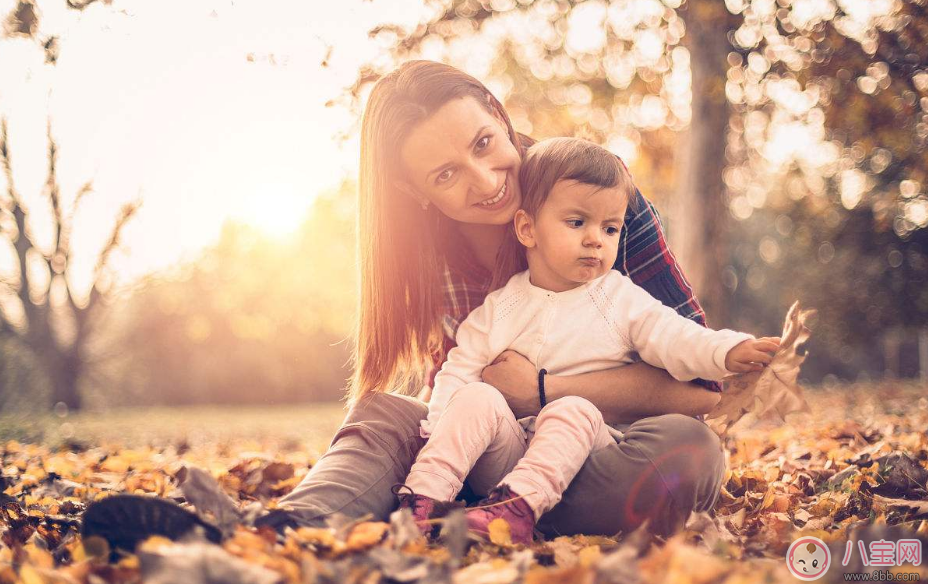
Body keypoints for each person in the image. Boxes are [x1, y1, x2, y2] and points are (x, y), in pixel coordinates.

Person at [257, 60, 734, 538]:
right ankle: (285, 525)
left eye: (483, 143)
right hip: (486, 454)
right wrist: (432, 439)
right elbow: (450, 389)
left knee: (690, 447)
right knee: (387, 412)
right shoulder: (428, 252)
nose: (486, 182)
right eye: (446, 175)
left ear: (496, 112)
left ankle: (510, 513)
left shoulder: (595, 196)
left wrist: (543, 390)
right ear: (412, 188)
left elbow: (702, 391)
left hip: (601, 460)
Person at [395, 137, 780, 544]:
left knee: (573, 409)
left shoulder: (620, 299)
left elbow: (677, 337)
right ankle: (423, 502)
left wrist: (729, 350)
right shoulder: (500, 308)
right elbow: (458, 370)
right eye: (577, 222)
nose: (596, 238)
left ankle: (517, 511)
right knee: (474, 397)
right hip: (510, 455)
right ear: (528, 228)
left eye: (609, 228)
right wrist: (438, 427)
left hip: (590, 454)